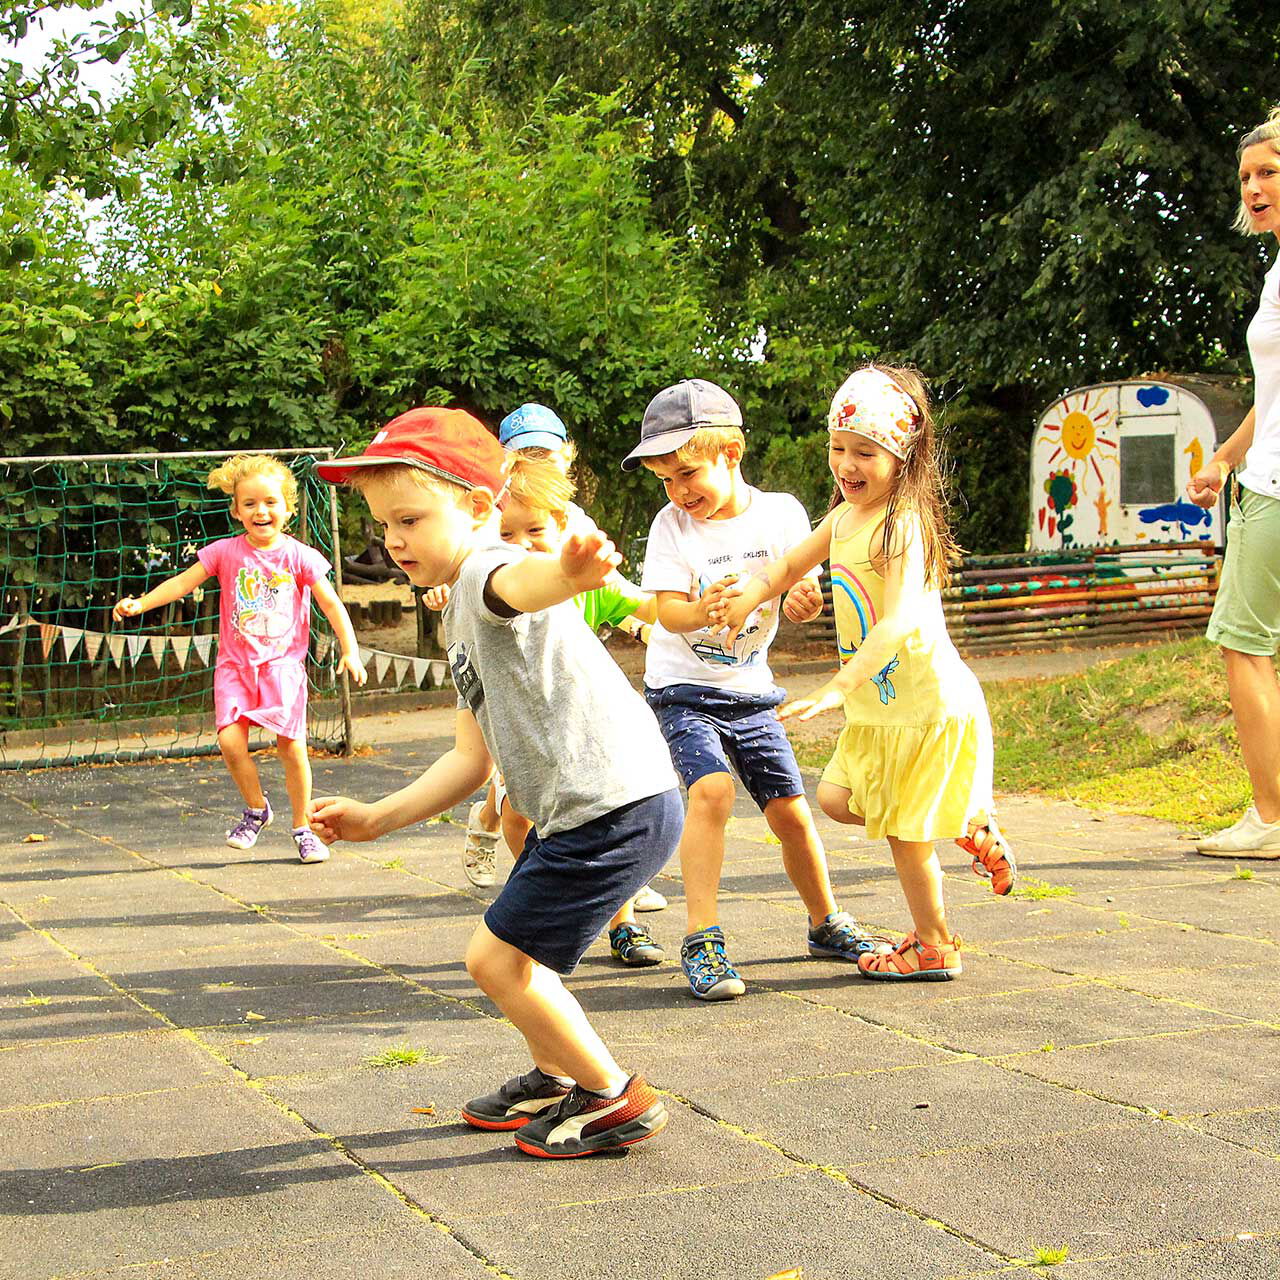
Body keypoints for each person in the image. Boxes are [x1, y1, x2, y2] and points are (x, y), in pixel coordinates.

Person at [309, 407, 681, 1158]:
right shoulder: (461, 616)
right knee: (522, 958)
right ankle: (555, 1073)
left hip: (610, 805)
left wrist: (571, 574)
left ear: (480, 507)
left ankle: (612, 1098)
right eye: (385, 525)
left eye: (410, 518)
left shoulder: (485, 570)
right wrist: (377, 818)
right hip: (597, 807)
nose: (394, 539)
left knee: (495, 959)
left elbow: (522, 581)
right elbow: (469, 762)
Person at [712, 365, 1016, 981]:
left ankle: (934, 946)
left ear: (901, 458)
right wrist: (747, 599)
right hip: (882, 712)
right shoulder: (843, 519)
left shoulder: (902, 524)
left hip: (925, 707)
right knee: (837, 799)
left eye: (865, 452)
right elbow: (785, 567)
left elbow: (901, 618)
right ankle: (962, 822)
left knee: (906, 835)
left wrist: (838, 685)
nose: (847, 464)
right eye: (838, 448)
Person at [623, 377, 883, 1001]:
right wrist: (702, 608)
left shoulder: (783, 514)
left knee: (791, 812)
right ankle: (701, 937)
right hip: (683, 688)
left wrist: (802, 598)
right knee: (710, 792)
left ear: (731, 454)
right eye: (666, 480)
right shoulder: (671, 528)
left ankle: (825, 921)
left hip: (750, 690)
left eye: (688, 473)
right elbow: (665, 613)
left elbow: (796, 589)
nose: (679, 491)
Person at [458, 402, 668, 914]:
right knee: (514, 794)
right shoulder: (491, 523)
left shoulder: (574, 524)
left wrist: (655, 618)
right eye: (523, 454)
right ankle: (515, 848)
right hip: (509, 679)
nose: (534, 462)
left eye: (544, 454)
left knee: (577, 786)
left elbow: (614, 595)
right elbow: (470, 570)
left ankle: (609, 892)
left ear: (565, 459)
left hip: (565, 679)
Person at [112, 453, 367, 863]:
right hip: (235, 666)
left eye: (269, 502)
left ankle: (303, 826)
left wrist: (350, 649)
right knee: (230, 741)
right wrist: (141, 605)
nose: (260, 511)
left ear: (287, 506)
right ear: (236, 510)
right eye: (249, 504)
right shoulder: (225, 553)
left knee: (291, 746)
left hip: (282, 666)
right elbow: (181, 583)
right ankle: (256, 809)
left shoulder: (299, 557)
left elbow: (333, 605)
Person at [1187, 106, 1280, 859]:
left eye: (1269, 172)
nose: (1253, 187)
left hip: (1278, 489)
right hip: (1261, 471)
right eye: (1247, 175)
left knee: (1244, 647)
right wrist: (1222, 458)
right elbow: (1274, 398)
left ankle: (1271, 817)